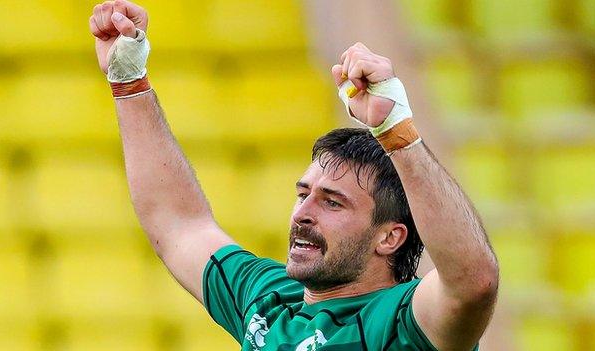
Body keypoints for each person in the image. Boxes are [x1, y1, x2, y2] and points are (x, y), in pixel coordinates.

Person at [89, 1, 499, 350]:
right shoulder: (267, 301)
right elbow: (178, 223)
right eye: (304, 193)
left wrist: (398, 134)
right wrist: (129, 83)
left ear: (389, 237)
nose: (304, 212)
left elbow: (473, 281)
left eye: (332, 202)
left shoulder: (402, 324)